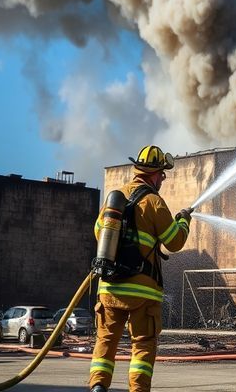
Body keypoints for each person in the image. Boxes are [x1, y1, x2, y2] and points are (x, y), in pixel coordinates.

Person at [89, 146, 192, 392]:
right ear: (155, 174)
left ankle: (98, 388)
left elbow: (98, 232)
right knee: (143, 345)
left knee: (105, 341)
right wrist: (183, 221)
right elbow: (174, 242)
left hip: (110, 288)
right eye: (162, 175)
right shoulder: (154, 202)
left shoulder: (115, 198)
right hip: (142, 292)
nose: (162, 180)